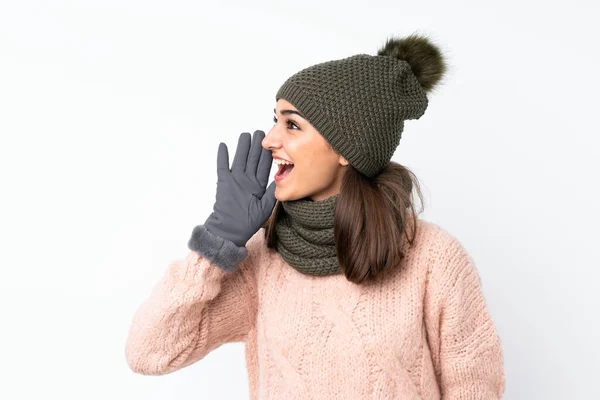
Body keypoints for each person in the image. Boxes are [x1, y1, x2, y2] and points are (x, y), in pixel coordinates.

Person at [125, 32, 506, 399]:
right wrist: (217, 243)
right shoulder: (263, 259)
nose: (269, 140)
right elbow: (149, 353)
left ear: (346, 148)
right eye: (275, 120)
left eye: (291, 125)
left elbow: (474, 389)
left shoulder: (434, 258)